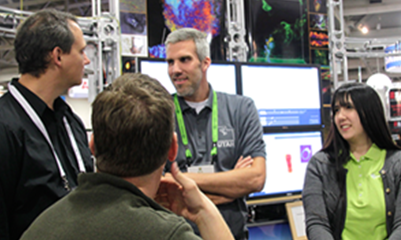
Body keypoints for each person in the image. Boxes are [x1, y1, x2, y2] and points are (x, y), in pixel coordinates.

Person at [20, 73, 234, 240]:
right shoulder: (167, 234)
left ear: (92, 145)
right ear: (172, 149)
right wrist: (204, 213)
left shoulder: (42, 226)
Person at [164, 28, 266, 240]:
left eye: (184, 60)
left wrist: (181, 179)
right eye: (170, 62)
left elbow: (256, 178)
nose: (175, 69)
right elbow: (158, 186)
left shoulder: (241, 108)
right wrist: (231, 186)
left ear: (205, 62)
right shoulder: (159, 112)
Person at [0, 9, 93, 240]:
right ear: (57, 56)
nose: (87, 60)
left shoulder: (70, 121)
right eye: (81, 51)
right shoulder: (5, 127)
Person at [303, 83, 401, 240]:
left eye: (348, 107)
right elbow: (316, 223)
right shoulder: (320, 165)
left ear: (369, 112)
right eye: (336, 110)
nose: (340, 116)